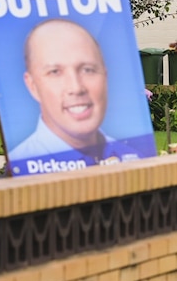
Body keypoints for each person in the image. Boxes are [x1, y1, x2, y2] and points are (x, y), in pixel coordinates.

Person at [8, 19, 143, 173]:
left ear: (105, 75)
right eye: (55, 72)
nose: (76, 88)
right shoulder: (22, 168)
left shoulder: (134, 160)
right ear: (32, 85)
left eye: (88, 69)